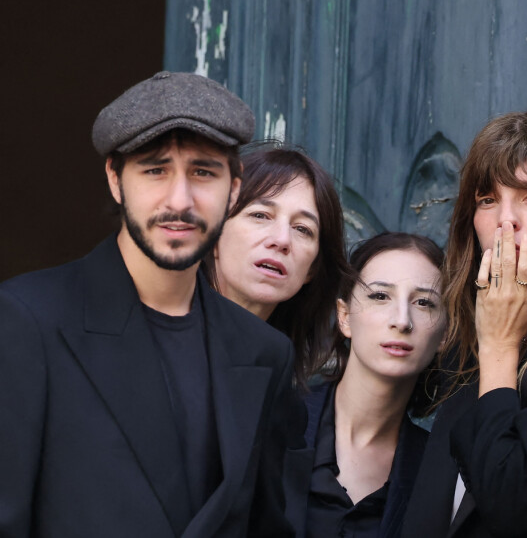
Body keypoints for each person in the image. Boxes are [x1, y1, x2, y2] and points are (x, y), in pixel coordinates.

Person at [0, 71, 301, 537]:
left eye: (203, 171)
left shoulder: (264, 352)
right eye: (155, 169)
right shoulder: (28, 319)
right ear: (116, 180)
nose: (179, 200)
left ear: (235, 188)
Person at [401, 110, 527, 538]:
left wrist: (500, 348)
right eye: (486, 200)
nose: (505, 220)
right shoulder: (467, 340)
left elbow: (510, 498)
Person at [284, 231, 447, 538]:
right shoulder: (278, 420)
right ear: (344, 317)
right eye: (380, 296)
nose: (402, 321)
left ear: (447, 333)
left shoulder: (441, 471)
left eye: (424, 302)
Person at [203, 142, 348, 389]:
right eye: (260, 215)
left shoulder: (284, 400)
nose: (282, 240)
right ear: (214, 236)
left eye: (303, 229)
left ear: (311, 269)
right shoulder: (144, 345)